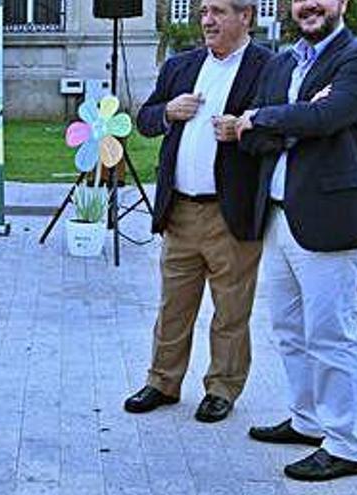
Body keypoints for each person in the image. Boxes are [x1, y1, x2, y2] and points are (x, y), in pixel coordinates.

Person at [235, 0, 357, 482]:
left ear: (342, 3)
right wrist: (285, 117)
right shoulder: (282, 62)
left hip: (327, 216)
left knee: (331, 333)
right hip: (279, 216)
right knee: (287, 328)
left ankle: (344, 444)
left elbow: (328, 119)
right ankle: (307, 421)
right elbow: (250, 136)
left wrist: (270, 117)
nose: (309, 4)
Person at [123, 0, 271, 423]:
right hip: (181, 211)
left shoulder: (267, 66)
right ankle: (162, 382)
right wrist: (168, 112)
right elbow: (145, 119)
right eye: (204, 11)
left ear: (246, 17)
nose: (207, 20)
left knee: (231, 309)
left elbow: (280, 127)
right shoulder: (181, 66)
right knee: (173, 305)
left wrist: (244, 127)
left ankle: (222, 388)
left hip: (231, 212)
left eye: (219, 12)